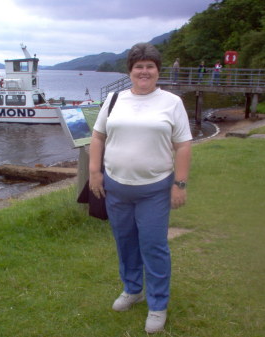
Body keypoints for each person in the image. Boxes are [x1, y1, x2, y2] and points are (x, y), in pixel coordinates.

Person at [89, 43, 192, 334]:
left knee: (153, 246)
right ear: (130, 71)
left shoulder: (171, 102)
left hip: (155, 189)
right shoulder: (113, 99)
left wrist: (179, 184)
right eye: (138, 67)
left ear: (158, 71)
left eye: (150, 66)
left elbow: (183, 145)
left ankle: (158, 304)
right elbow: (98, 137)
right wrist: (95, 173)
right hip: (116, 187)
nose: (144, 71)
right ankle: (133, 289)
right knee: (125, 242)